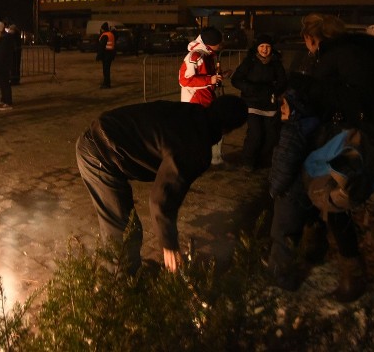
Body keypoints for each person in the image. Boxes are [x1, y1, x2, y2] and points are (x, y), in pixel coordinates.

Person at [267, 13, 374, 302]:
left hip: (338, 139)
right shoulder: (358, 53)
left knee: (331, 201)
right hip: (349, 136)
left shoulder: (335, 57)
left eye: (307, 41)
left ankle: (352, 276)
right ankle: (317, 249)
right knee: (326, 198)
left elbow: (334, 97)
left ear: (313, 38)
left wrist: (300, 86)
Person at [76, 95, 248, 274]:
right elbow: (162, 199)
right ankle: (121, 288)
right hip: (99, 152)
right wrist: (169, 246)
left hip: (106, 139)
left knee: (127, 227)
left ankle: (126, 277)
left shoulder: (193, 114)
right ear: (229, 130)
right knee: (124, 231)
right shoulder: (195, 146)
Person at [231, 34, 287, 169]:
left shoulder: (276, 62)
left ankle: (261, 160)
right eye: (262, 46)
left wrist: (274, 91)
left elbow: (283, 81)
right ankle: (247, 161)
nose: (265, 49)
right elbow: (236, 80)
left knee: (271, 136)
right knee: (256, 134)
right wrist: (249, 88)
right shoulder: (249, 61)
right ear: (257, 48)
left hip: (269, 103)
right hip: (251, 102)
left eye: (267, 46)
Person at [179, 26, 225, 165]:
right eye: (220, 42)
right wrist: (209, 80)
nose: (222, 44)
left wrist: (219, 77)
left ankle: (213, 159)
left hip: (206, 98)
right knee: (198, 133)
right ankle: (198, 159)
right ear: (212, 42)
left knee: (210, 130)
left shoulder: (208, 54)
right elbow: (184, 80)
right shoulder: (195, 56)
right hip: (196, 101)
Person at [96, 22, 116, 88]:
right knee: (107, 70)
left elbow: (102, 46)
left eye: (101, 29)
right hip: (110, 54)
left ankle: (106, 84)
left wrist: (98, 56)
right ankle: (107, 83)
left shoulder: (105, 35)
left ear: (103, 29)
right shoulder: (111, 34)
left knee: (105, 70)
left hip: (106, 55)